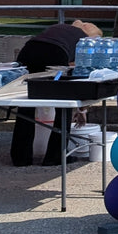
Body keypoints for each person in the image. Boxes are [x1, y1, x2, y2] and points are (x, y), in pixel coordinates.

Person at [9, 19, 102, 167]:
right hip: (56, 53)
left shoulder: (60, 28)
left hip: (28, 51)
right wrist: (82, 109)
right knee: (62, 107)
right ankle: (55, 156)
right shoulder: (84, 41)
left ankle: (20, 158)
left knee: (26, 105)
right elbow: (79, 73)